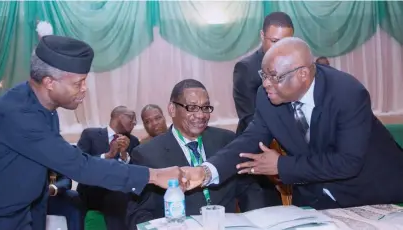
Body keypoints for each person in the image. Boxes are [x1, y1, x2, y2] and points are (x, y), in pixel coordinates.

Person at [0, 35, 183, 230]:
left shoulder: (45, 109)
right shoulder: (17, 114)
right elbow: (80, 166)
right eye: (78, 83)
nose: (84, 90)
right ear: (49, 83)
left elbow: (34, 184)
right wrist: (154, 175)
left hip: (11, 217)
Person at [182, 37, 403, 209]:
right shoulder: (266, 97)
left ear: (303, 74)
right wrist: (207, 171)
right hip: (315, 197)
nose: (266, 84)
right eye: (263, 75)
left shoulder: (347, 94)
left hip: (368, 193)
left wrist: (281, 166)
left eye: (274, 77)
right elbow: (249, 140)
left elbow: (348, 162)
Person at [127, 79, 238, 229]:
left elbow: (250, 189)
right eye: (192, 107)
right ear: (172, 109)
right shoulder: (146, 154)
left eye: (205, 107)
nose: (201, 115)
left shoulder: (227, 140)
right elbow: (138, 213)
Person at [77, 106, 140, 230]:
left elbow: (136, 171)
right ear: (119, 117)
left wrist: (124, 155)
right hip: (93, 190)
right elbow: (79, 162)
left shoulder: (133, 141)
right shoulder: (90, 134)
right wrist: (108, 155)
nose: (134, 123)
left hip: (121, 193)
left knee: (121, 196)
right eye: (132, 118)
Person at [233, 11, 294, 135]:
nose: (280, 48)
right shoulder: (246, 68)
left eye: (286, 42)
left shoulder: (296, 65)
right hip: (257, 141)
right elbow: (249, 117)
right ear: (262, 35)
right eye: (275, 41)